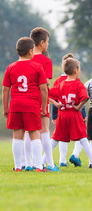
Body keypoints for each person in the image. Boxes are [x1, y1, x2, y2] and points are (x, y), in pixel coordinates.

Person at [2, 37, 53, 172]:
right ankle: (38, 166)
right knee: (35, 134)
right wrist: (43, 107)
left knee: (17, 135)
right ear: (31, 52)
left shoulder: (10, 67)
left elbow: (5, 90)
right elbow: (43, 88)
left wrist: (6, 108)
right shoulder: (37, 67)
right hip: (31, 105)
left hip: (16, 105)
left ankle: (18, 167)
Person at [48, 58, 92, 169]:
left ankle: (43, 161)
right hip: (74, 115)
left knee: (55, 139)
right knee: (83, 139)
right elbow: (85, 97)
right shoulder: (78, 84)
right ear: (76, 71)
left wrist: (56, 104)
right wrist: (78, 106)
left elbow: (49, 95)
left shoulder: (61, 84)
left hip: (62, 115)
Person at [23, 27, 57, 171]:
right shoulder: (45, 61)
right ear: (42, 43)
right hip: (41, 99)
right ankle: (50, 164)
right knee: (44, 131)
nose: (47, 45)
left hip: (26, 98)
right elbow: (46, 82)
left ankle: (27, 163)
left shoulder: (25, 60)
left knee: (27, 131)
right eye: (47, 42)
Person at [45, 53, 85, 167]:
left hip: (62, 113)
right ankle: (75, 155)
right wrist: (83, 114)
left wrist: (54, 116)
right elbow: (80, 99)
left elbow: (54, 98)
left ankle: (62, 161)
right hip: (73, 113)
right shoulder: (75, 79)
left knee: (62, 137)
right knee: (81, 135)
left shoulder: (59, 80)